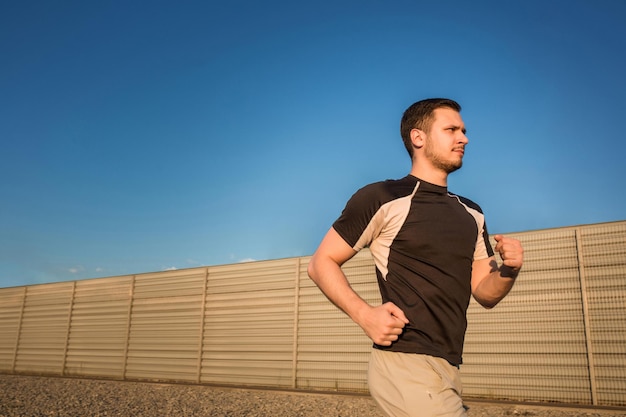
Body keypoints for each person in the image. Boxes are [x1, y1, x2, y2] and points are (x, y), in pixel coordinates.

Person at [307, 98, 524, 417]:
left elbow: (484, 292)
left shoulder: (472, 213)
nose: (463, 138)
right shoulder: (383, 198)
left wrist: (510, 269)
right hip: (404, 361)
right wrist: (366, 316)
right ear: (418, 137)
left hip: (448, 364)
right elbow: (320, 263)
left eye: (463, 130)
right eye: (451, 129)